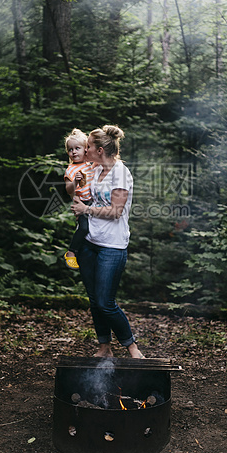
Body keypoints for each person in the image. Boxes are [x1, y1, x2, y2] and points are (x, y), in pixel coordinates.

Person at [71, 124, 144, 359]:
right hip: (89, 243)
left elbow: (116, 211)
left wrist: (87, 209)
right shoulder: (94, 169)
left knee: (105, 302)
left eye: (89, 147)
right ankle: (104, 347)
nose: (85, 149)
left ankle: (132, 347)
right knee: (95, 301)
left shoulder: (120, 173)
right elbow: (79, 193)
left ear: (100, 150)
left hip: (112, 246)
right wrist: (78, 189)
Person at [63, 128, 95, 269]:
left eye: (77, 148)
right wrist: (75, 182)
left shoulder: (90, 164)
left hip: (94, 201)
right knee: (83, 228)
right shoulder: (70, 170)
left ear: (85, 150)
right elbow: (68, 189)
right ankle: (71, 252)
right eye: (70, 150)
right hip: (82, 202)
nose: (74, 152)